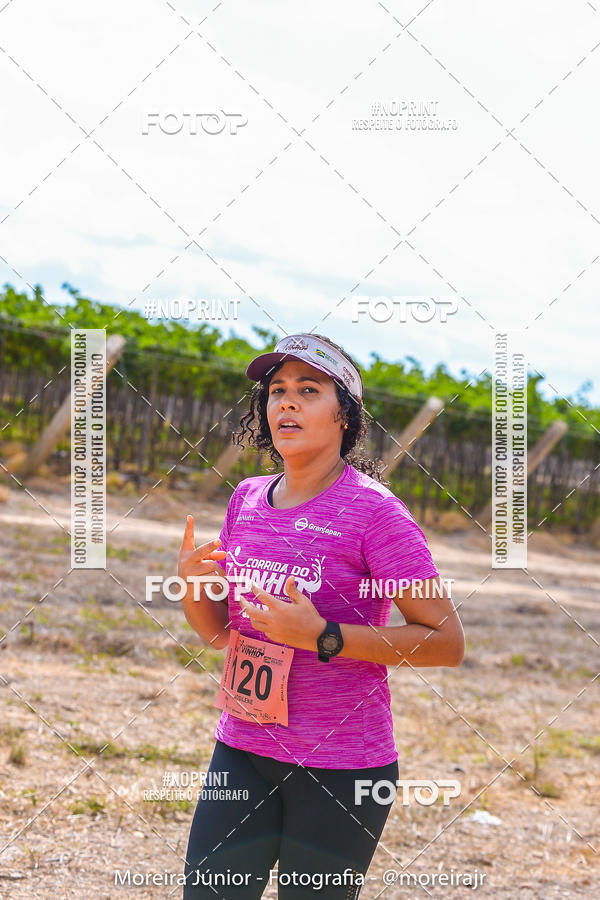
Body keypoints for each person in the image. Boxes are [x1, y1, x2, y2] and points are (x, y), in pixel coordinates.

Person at [178, 333, 464, 898]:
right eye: (277, 390)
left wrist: (324, 636)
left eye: (309, 390)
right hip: (241, 749)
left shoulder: (375, 514)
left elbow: (445, 643)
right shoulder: (248, 499)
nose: (287, 402)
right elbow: (218, 634)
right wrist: (194, 588)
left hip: (340, 769)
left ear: (345, 417)